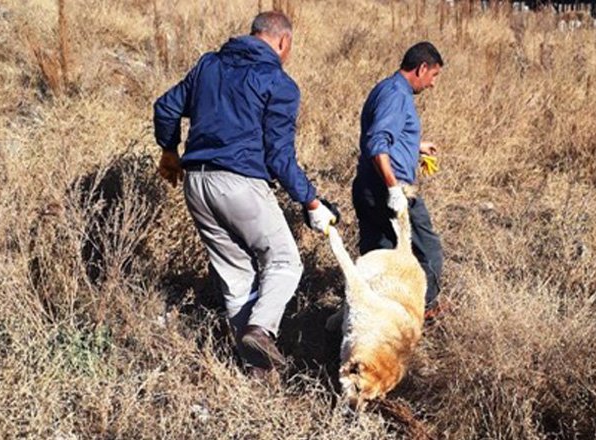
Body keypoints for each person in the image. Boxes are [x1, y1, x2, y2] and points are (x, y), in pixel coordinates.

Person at [153, 11, 337, 375]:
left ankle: (257, 373)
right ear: (283, 42)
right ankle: (261, 330)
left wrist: (170, 151)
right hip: (241, 184)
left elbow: (166, 107)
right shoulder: (278, 82)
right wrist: (312, 202)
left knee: (237, 278)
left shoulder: (209, 65)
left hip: (196, 182)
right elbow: (279, 157)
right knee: (285, 262)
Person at [352, 42, 445, 318]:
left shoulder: (386, 89)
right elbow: (378, 144)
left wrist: (415, 145)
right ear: (422, 68)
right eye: (434, 76)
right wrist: (395, 188)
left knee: (378, 258)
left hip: (368, 186)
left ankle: (372, 313)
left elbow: (386, 134)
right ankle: (421, 308)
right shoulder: (397, 95)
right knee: (428, 250)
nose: (432, 84)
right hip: (389, 190)